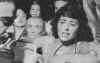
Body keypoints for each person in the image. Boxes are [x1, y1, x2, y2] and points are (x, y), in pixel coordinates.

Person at [33, 4, 100, 63]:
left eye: (72, 24)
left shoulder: (83, 46)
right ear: (56, 23)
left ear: (80, 28)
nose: (66, 28)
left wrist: (66, 58)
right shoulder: (50, 43)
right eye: (62, 22)